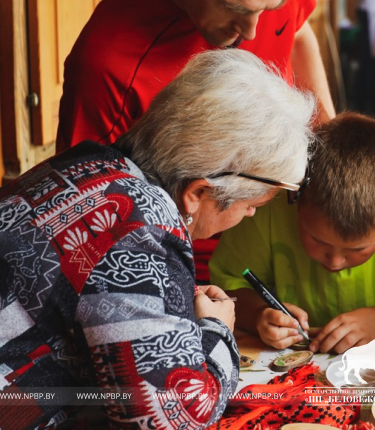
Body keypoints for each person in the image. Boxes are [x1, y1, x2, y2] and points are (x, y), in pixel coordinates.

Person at [0, 49, 314, 429]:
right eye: (252, 205)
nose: (249, 215)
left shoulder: (88, 164)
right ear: (198, 193)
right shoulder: (139, 227)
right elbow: (173, 417)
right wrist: (216, 331)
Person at [55, 0, 334, 283]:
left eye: (270, 8)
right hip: (188, 266)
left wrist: (331, 143)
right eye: (236, 9)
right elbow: (84, 219)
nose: (252, 32)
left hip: (283, 237)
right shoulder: (106, 65)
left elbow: (295, 32)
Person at [209, 112, 375, 354]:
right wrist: (259, 315)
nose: (334, 261)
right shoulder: (270, 198)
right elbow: (228, 288)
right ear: (296, 199)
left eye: (358, 249)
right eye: (317, 239)